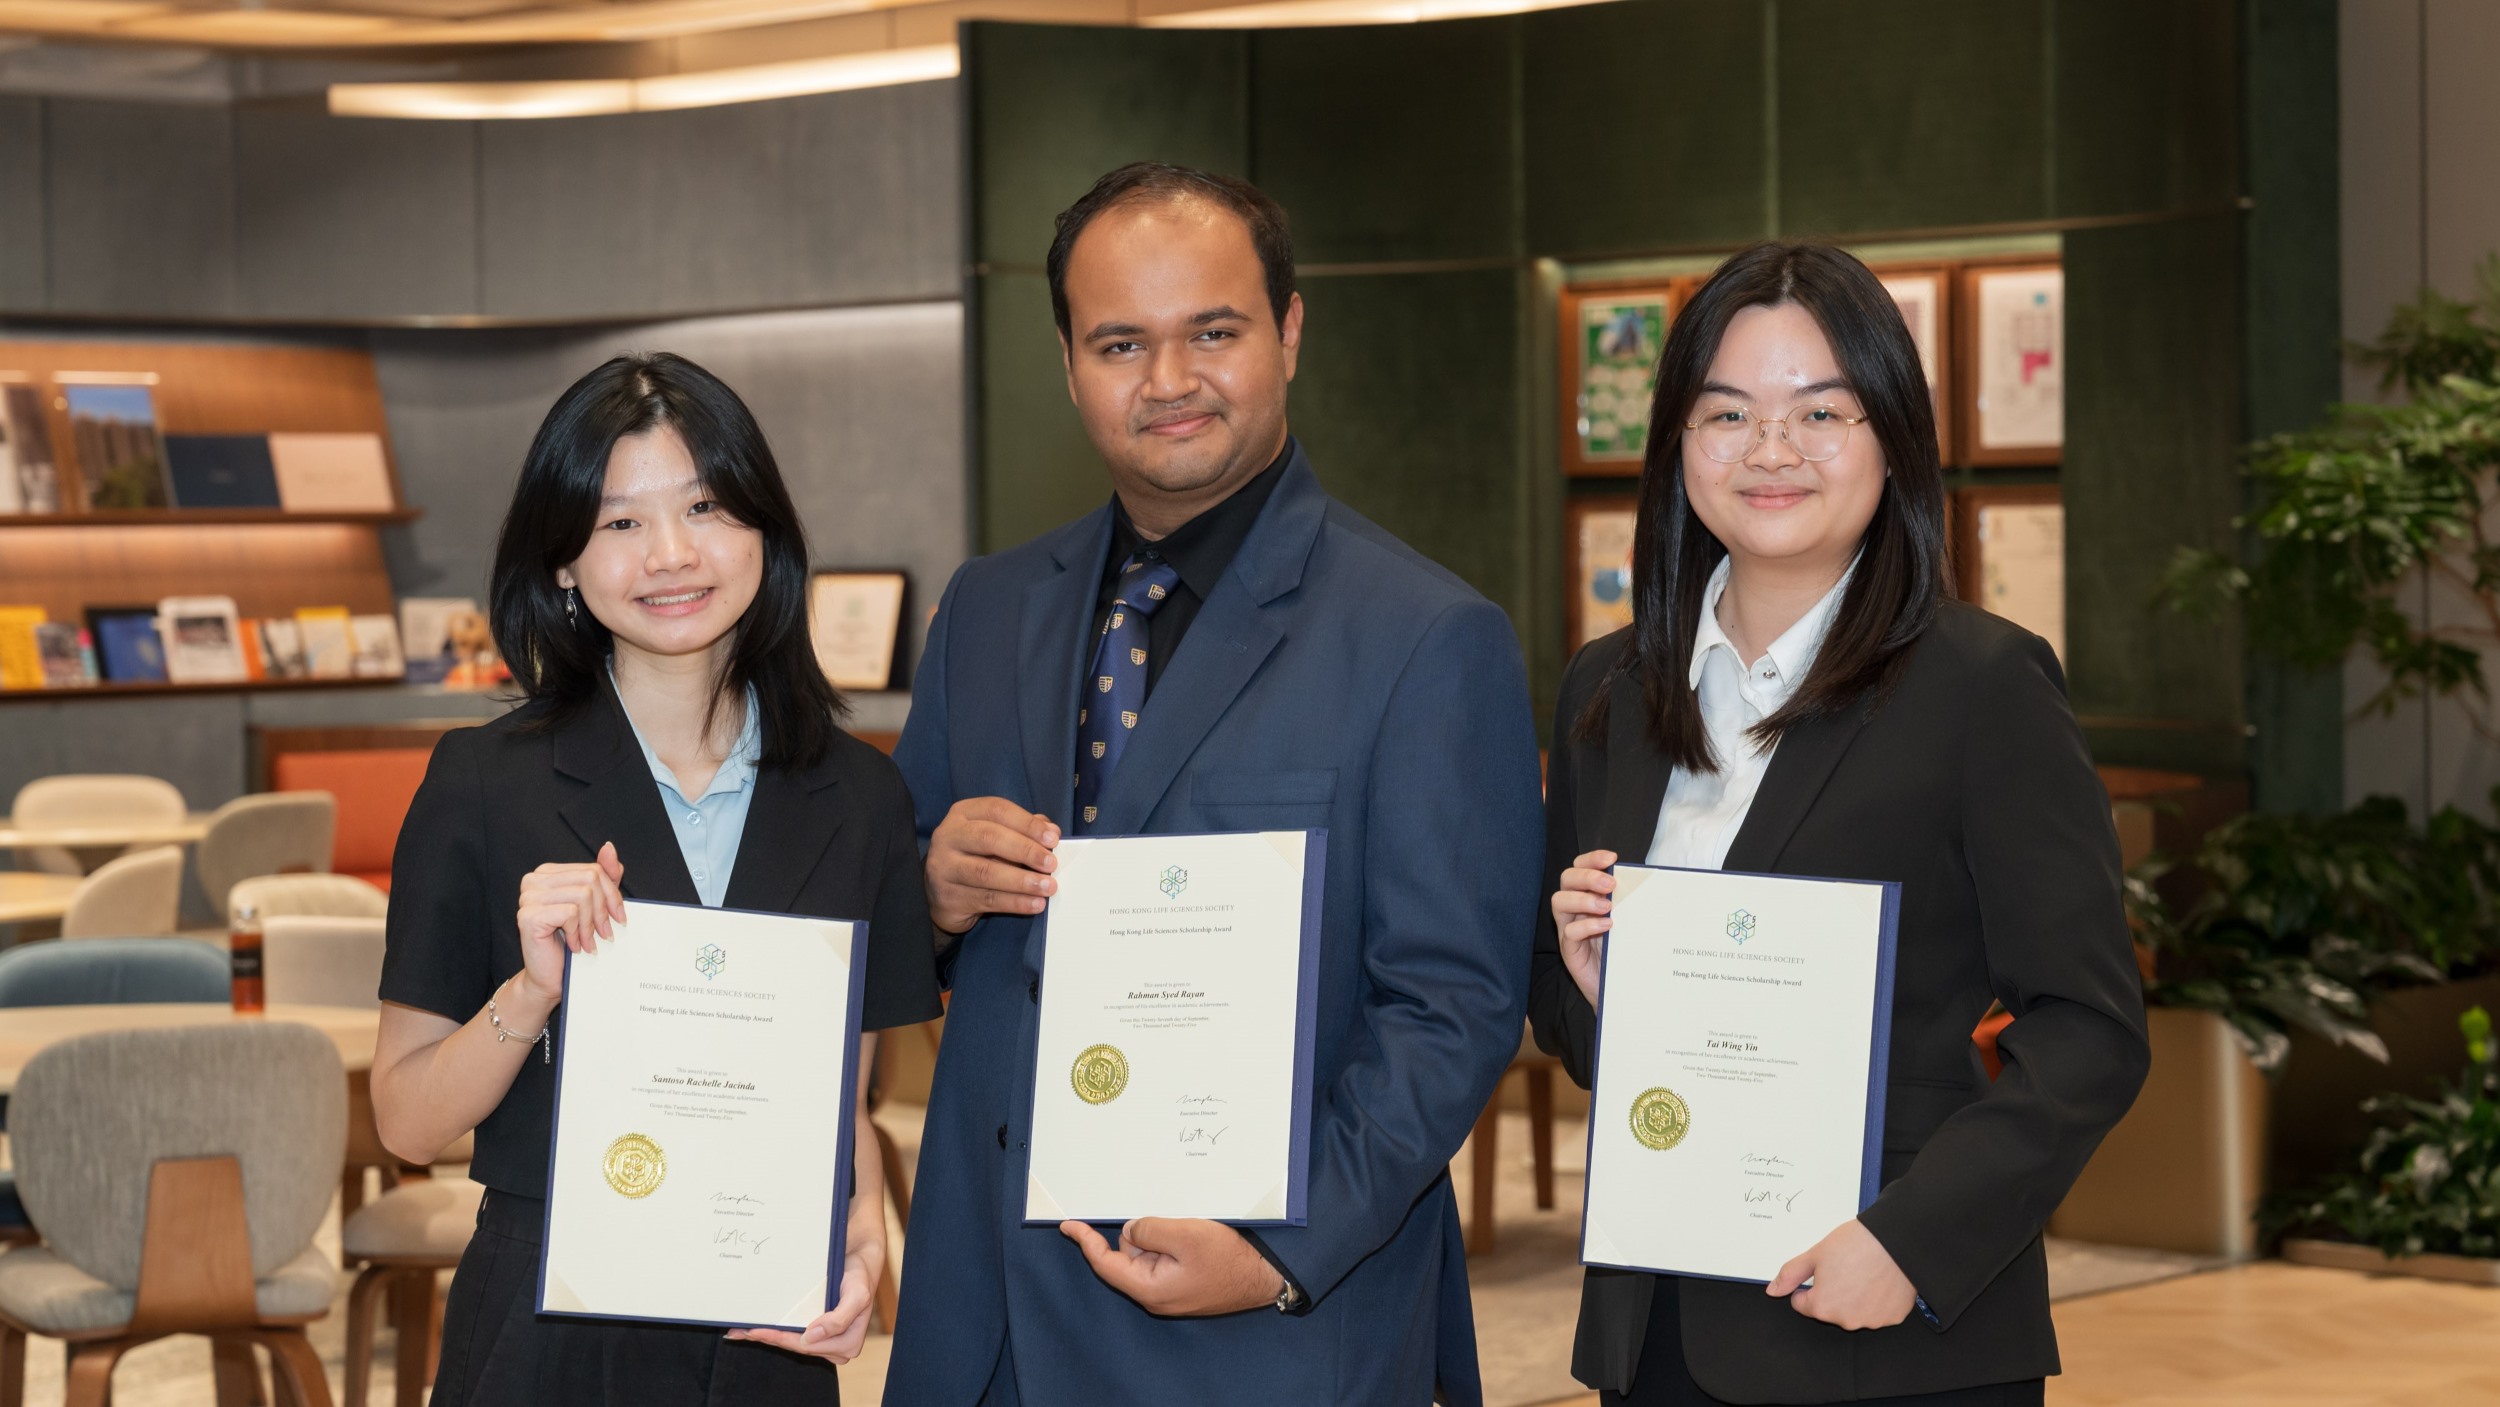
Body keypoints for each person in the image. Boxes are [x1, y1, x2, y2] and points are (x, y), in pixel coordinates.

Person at [883, 162, 1544, 1407]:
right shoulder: (987, 608)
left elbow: (1452, 1006)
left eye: (1215, 332)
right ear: (1069, 362)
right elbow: (890, 931)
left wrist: (1276, 1254)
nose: (1169, 381)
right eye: (1121, 342)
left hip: (1264, 1329)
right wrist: (928, 891)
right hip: (989, 1329)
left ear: (1289, 334)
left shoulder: (1423, 636)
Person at [1528, 242, 2150, 1406]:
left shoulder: (1984, 686)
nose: (1771, 451)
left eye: (1821, 410)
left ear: (1890, 439)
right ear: (1675, 444)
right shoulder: (1606, 691)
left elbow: (2089, 1031)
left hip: (1892, 1332)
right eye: (1727, 414)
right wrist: (1604, 989)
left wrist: (1913, 1244)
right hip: (1656, 1326)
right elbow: (1568, 1028)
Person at [371, 352, 943, 1406]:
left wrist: (860, 1256)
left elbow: (843, 1109)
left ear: (763, 531)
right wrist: (532, 989)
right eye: (620, 522)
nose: (672, 554)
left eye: (706, 506)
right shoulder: (484, 784)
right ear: (559, 562)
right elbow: (405, 1121)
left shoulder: (860, 797)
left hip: (763, 1332)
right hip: (547, 1329)